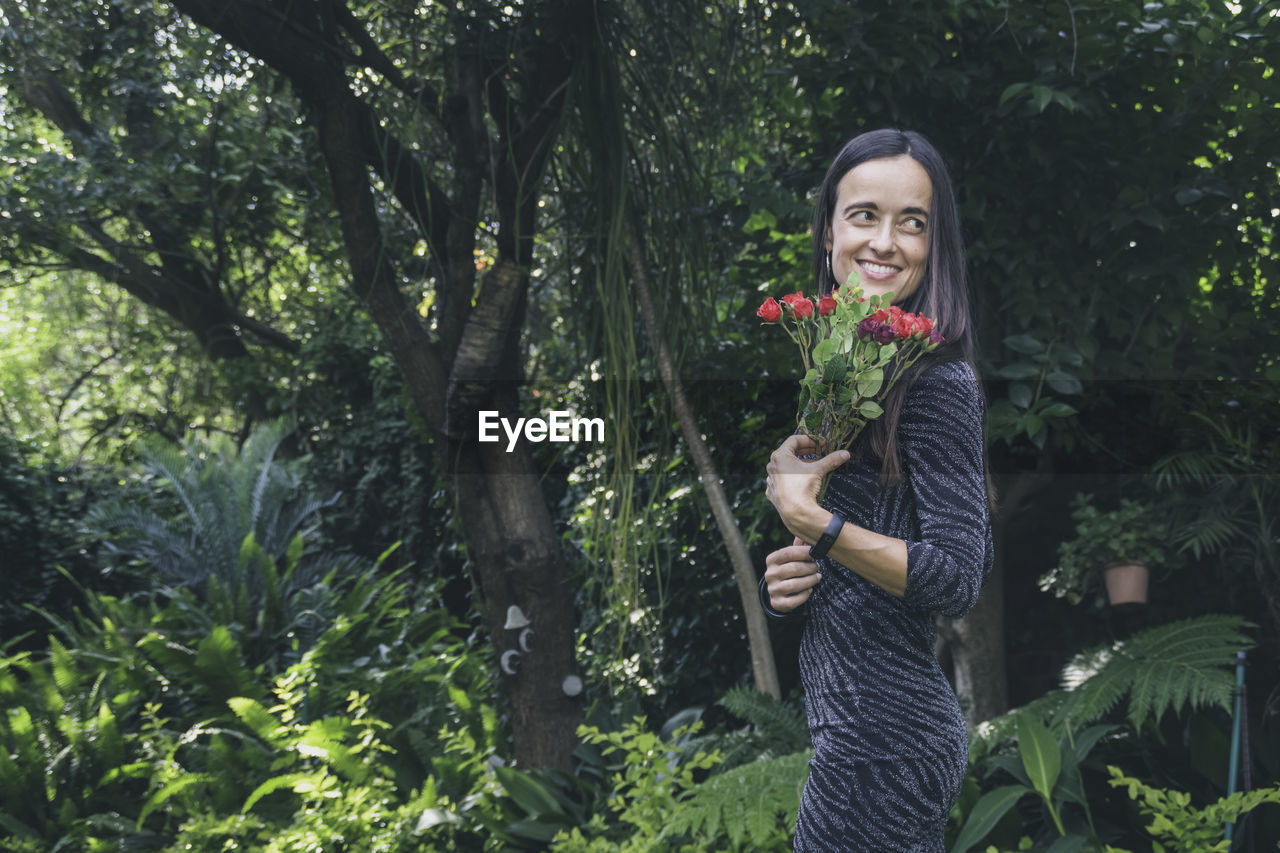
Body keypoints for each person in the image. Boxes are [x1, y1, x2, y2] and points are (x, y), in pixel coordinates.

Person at [760, 129, 994, 852]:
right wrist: (797, 573)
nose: (886, 241)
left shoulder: (938, 380)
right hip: (859, 732)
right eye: (864, 214)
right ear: (829, 229)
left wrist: (818, 524)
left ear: (934, 243)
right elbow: (864, 575)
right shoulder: (847, 375)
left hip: (887, 740)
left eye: (912, 222)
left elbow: (957, 577)